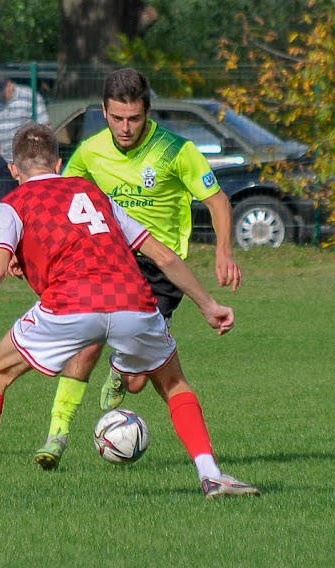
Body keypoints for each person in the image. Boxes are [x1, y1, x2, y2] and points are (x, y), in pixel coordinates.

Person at [0, 123, 259, 503]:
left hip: (70, 304)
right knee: (172, 382)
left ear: (13, 170)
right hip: (133, 300)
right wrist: (209, 305)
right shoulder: (93, 193)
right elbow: (164, 255)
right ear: (58, 162)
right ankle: (211, 475)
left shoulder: (13, 204)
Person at [34, 68, 243, 470]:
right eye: (116, 118)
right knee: (87, 342)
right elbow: (57, 198)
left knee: (136, 381)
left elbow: (218, 201)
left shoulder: (176, 150)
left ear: (147, 111)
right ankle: (56, 434)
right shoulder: (91, 151)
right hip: (108, 262)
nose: (125, 128)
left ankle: (122, 368)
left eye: (133, 118)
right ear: (104, 111)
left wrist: (224, 251)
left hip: (162, 272)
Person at [0, 75, 50, 206]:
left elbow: (45, 127)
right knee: (7, 201)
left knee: (32, 199)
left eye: (1, 91)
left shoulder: (30, 97)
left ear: (10, 85)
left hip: (29, 160)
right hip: (6, 161)